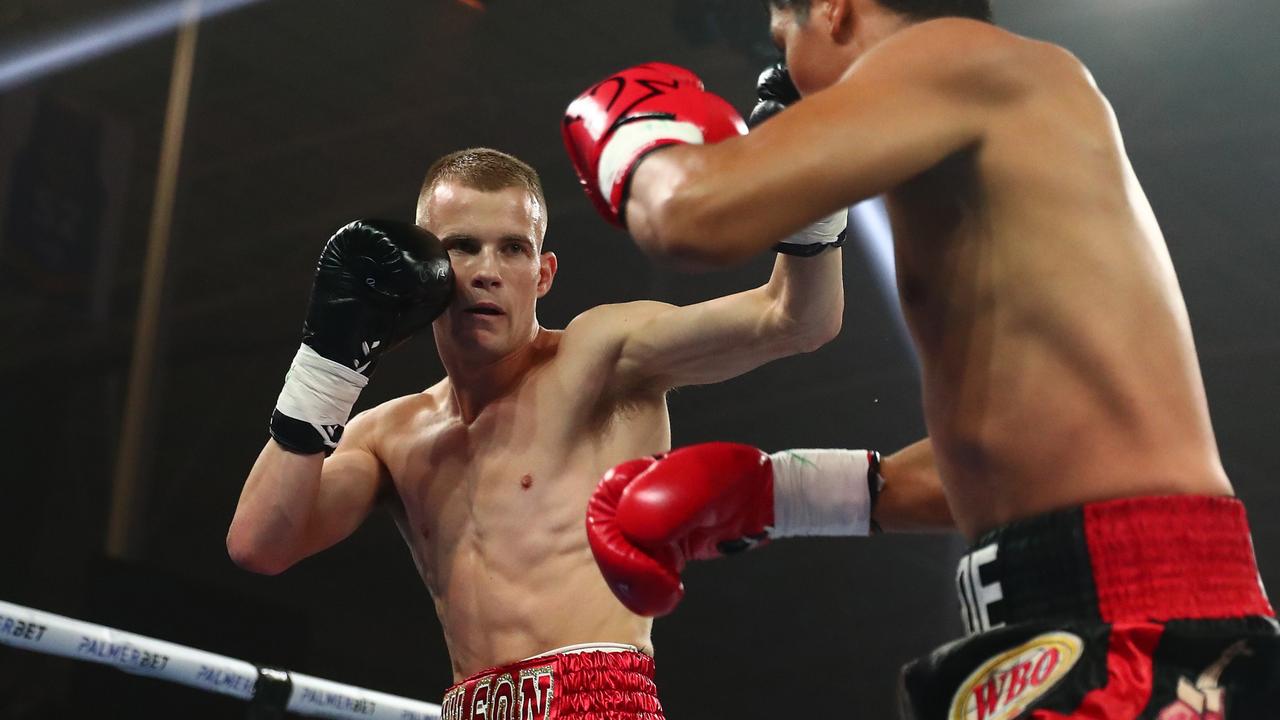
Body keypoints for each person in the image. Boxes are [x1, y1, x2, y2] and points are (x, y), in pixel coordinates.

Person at [561, 1, 1280, 717]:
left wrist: (635, 131)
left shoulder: (954, 54)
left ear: (837, 12)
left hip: (1136, 626)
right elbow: (1028, 455)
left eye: (785, 39)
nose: (781, 76)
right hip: (1080, 618)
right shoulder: (991, 135)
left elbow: (691, 214)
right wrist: (774, 493)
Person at [226, 147, 943, 718]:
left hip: (598, 701)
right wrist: (328, 360)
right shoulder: (392, 434)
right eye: (463, 247)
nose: (485, 272)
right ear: (425, 267)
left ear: (544, 273)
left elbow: (798, 319)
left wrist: (814, 174)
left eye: (512, 249)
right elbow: (260, 544)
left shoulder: (600, 358)